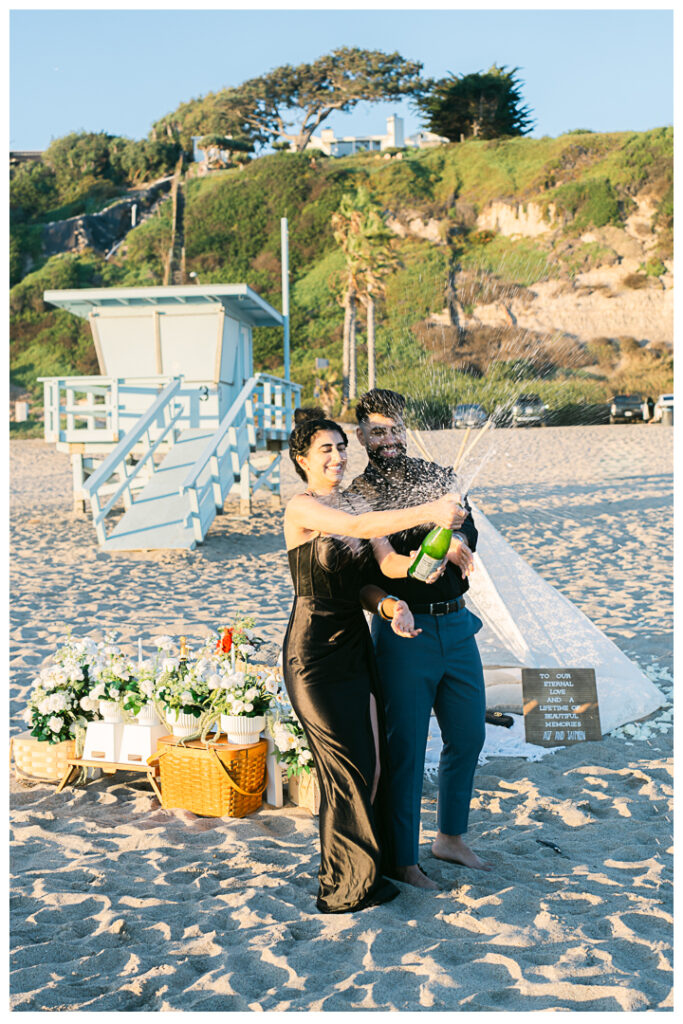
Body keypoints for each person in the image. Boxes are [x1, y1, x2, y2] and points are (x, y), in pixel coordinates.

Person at [282, 413, 464, 913]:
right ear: (302, 459)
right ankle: (344, 884)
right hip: (313, 653)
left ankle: (375, 869)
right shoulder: (302, 508)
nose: (337, 457)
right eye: (325, 450)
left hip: (355, 645)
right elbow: (360, 529)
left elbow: (385, 566)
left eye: (341, 447)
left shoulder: (356, 499)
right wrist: (428, 507)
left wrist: (418, 574)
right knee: (345, 768)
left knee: (375, 762)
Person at [345, 388, 491, 890]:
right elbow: (379, 564)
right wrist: (433, 541)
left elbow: (469, 531)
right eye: (377, 431)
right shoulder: (360, 496)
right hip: (404, 632)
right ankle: (405, 858)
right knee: (406, 747)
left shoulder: (439, 477)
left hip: (457, 624)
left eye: (394, 429)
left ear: (405, 428)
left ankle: (449, 837)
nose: (388, 439)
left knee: (469, 735)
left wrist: (458, 539)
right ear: (360, 434)